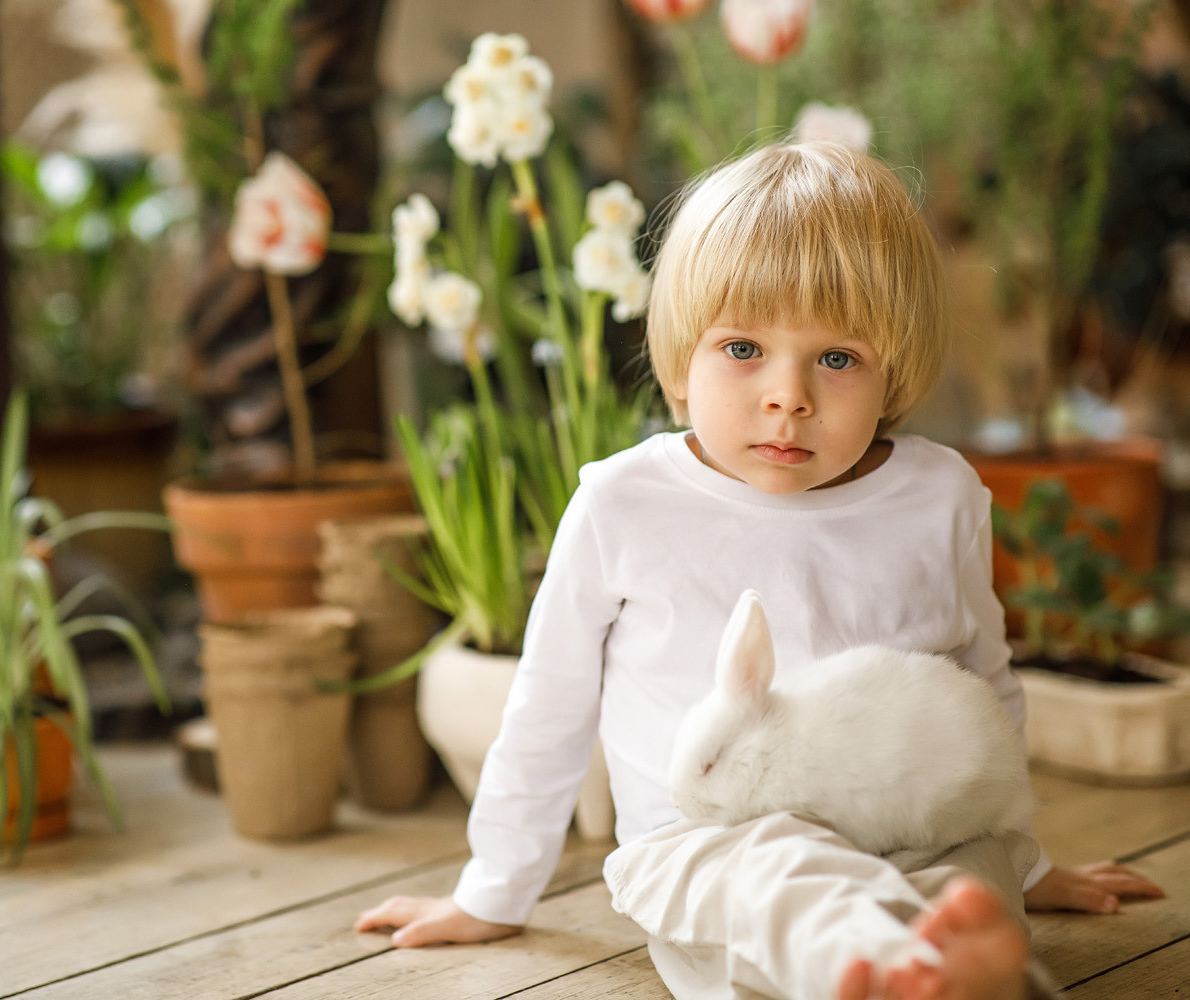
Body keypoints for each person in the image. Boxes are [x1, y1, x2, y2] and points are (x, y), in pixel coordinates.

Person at [354, 141, 1163, 999]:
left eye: (838, 358)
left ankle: (949, 964)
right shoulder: (623, 504)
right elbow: (547, 706)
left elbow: (981, 685)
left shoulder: (939, 497)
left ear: (893, 372)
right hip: (705, 845)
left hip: (911, 830)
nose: (789, 395)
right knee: (786, 875)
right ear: (679, 358)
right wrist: (494, 889)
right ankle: (896, 971)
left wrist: (1023, 865)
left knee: (970, 887)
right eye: (743, 349)